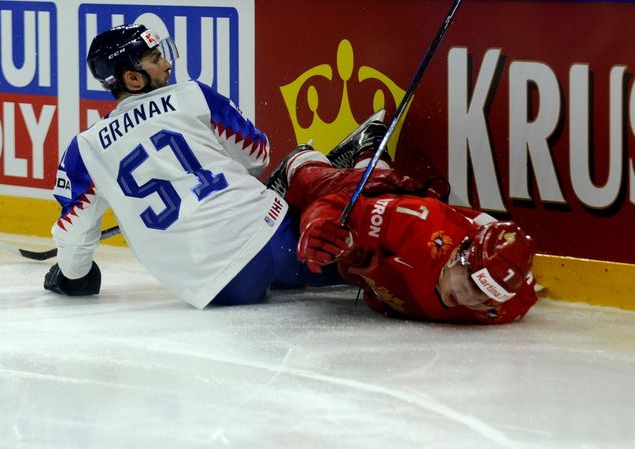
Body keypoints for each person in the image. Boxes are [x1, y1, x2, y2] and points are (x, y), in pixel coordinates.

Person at [43, 24, 342, 307]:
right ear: (133, 78)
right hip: (275, 239)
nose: (167, 65)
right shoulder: (193, 95)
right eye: (155, 59)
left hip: (220, 285)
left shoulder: (85, 148)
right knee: (303, 163)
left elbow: (75, 237)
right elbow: (257, 157)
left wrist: (72, 276)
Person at [267, 122, 539, 324]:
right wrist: (318, 224)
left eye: (486, 296)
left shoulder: (509, 303)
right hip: (387, 200)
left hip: (385, 248)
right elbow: (337, 204)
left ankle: (369, 151)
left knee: (353, 261)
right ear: (458, 255)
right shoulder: (419, 226)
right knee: (315, 187)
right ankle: (303, 157)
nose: (471, 301)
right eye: (472, 285)